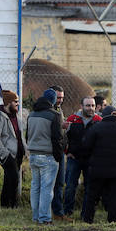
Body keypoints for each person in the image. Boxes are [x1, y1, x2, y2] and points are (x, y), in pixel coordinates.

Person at [80, 105, 116, 223]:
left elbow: (86, 146)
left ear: (103, 116)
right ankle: (114, 220)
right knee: (114, 197)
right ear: (115, 115)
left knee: (92, 196)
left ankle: (88, 219)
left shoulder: (96, 128)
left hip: (97, 169)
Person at [26, 88, 65, 224]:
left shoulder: (31, 114)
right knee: (47, 189)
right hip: (48, 156)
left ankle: (36, 217)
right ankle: (45, 218)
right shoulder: (54, 115)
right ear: (53, 101)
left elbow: (27, 135)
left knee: (35, 187)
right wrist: (59, 156)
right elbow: (57, 138)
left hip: (33, 155)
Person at [63, 96, 102, 218]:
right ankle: (67, 212)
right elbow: (63, 137)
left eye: (93, 106)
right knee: (70, 186)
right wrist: (66, 151)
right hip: (74, 159)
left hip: (91, 160)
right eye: (88, 105)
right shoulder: (72, 120)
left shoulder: (99, 121)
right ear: (81, 107)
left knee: (89, 187)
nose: (91, 108)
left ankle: (85, 213)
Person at [0, 90, 25, 208]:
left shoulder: (15, 115)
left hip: (18, 153)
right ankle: (12, 205)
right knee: (14, 179)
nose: (18, 104)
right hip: (7, 154)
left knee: (10, 180)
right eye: (15, 101)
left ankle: (6, 206)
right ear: (8, 102)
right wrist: (5, 154)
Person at [50, 85, 67, 219]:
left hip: (60, 151)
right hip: (50, 151)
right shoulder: (47, 111)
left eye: (62, 97)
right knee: (50, 183)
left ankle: (58, 212)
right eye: (58, 97)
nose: (60, 100)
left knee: (60, 182)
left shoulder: (59, 110)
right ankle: (53, 211)